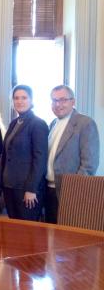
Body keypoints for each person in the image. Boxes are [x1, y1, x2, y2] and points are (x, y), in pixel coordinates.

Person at [45, 85, 100, 223]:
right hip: (49, 188)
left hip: (70, 191)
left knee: (66, 236)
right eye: (54, 100)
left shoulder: (85, 123)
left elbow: (89, 164)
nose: (58, 104)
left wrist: (74, 191)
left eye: (63, 100)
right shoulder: (53, 123)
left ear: (73, 101)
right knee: (50, 233)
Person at [1, 85, 48, 221]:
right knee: (14, 230)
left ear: (31, 100)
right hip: (9, 186)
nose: (19, 101)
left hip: (27, 189)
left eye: (24, 98)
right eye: (16, 98)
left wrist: (31, 189)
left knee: (28, 234)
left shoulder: (38, 124)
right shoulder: (14, 123)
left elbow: (40, 159)